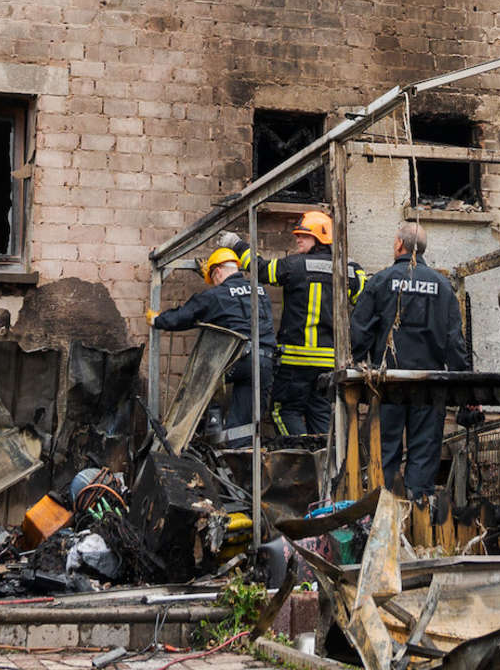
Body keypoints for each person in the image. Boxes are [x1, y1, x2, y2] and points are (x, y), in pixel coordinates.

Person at [351, 221, 469, 499]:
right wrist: (460, 378)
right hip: (429, 386)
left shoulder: (380, 281)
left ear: (399, 245)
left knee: (385, 453)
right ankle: (418, 517)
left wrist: (357, 360)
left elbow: (361, 327)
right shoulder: (442, 286)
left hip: (389, 383)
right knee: (425, 454)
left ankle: (385, 514)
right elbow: (454, 339)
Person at [249, 209, 365, 441]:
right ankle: (324, 467)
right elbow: (363, 295)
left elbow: (260, 270)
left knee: (283, 411)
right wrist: (352, 268)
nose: (298, 239)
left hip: (296, 361)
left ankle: (305, 460)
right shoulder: (348, 270)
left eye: (304, 235)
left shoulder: (294, 265)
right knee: (320, 414)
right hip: (330, 363)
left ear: (320, 238)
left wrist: (237, 246)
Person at [147, 246, 272, 432]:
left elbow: (185, 316)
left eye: (213, 278)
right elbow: (237, 304)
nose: (213, 284)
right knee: (244, 426)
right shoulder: (260, 290)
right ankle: (240, 456)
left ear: (219, 272)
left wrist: (157, 320)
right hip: (266, 362)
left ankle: (208, 425)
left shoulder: (216, 295)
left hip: (239, 360)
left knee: (203, 378)